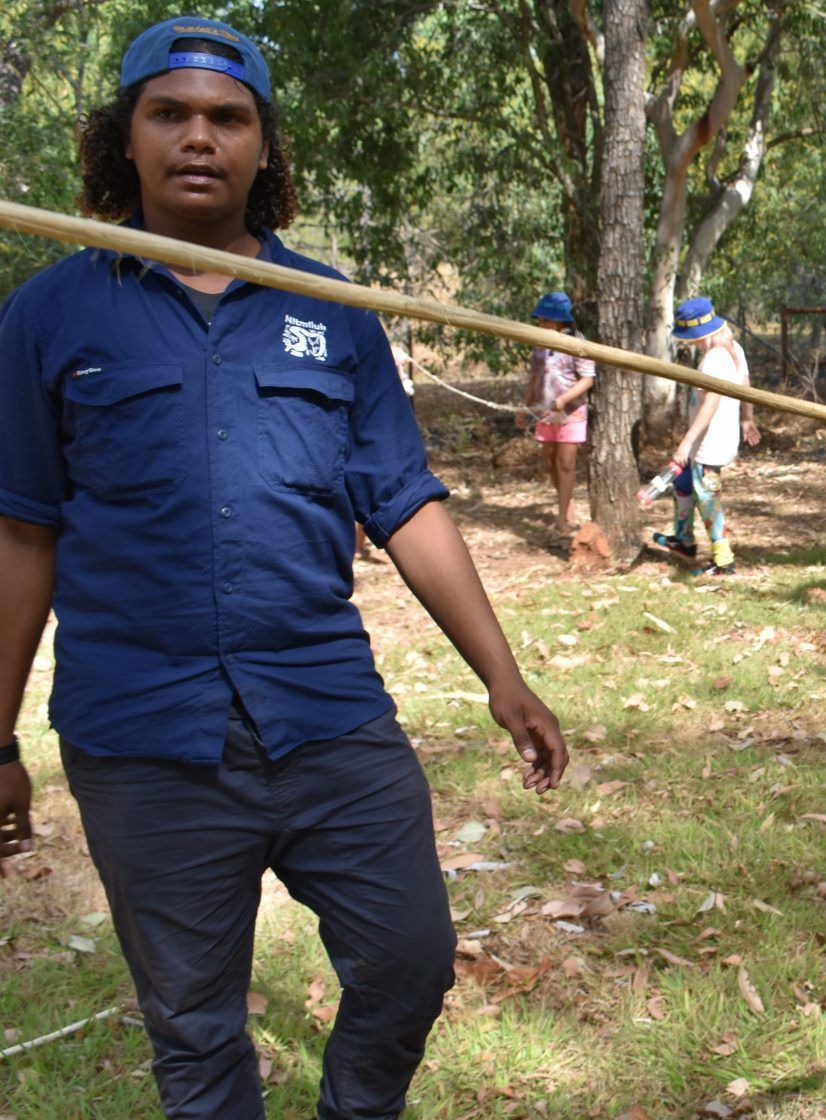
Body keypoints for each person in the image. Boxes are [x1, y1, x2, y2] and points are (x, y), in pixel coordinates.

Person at [0, 18, 567, 1119]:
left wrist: (504, 678)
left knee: (410, 962)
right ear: (125, 136)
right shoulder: (49, 314)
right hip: (141, 737)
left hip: (325, 711)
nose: (198, 137)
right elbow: (21, 534)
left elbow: (404, 502)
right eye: (169, 113)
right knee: (195, 1029)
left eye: (228, 117)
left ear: (263, 145)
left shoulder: (333, 310)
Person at [651, 295, 759, 575]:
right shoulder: (733, 348)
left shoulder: (713, 359)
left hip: (709, 443)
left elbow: (710, 404)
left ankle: (724, 562)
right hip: (717, 438)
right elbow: (746, 384)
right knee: (683, 482)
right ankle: (683, 540)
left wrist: (686, 443)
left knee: (708, 499)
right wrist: (747, 418)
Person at [516, 291, 594, 533]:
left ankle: (562, 519)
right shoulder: (540, 345)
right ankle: (566, 502)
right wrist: (524, 407)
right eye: (539, 320)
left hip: (571, 414)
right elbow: (535, 378)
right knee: (551, 462)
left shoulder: (578, 343)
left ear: (559, 321)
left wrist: (564, 399)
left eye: (545, 319)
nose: (541, 323)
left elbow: (587, 379)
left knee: (566, 463)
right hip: (545, 413)